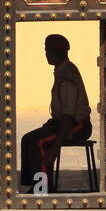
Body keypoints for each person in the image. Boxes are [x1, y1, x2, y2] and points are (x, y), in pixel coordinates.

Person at [19, 34, 93, 192]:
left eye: (47, 50)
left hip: (77, 125)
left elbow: (68, 115)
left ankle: (43, 188)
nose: (45, 54)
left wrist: (55, 147)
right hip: (64, 122)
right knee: (27, 139)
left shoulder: (67, 76)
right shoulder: (61, 70)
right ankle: (35, 184)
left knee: (37, 142)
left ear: (54, 53)